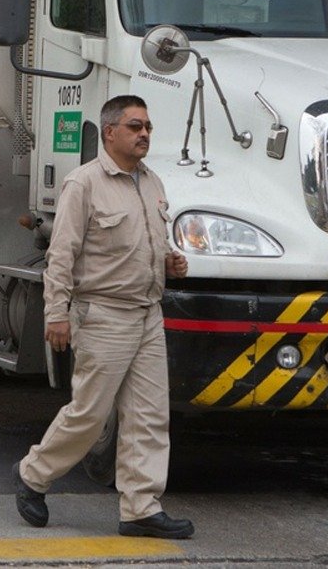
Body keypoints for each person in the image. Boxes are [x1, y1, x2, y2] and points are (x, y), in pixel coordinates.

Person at [12, 95, 193, 540]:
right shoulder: (84, 185)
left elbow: (147, 241)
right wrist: (57, 314)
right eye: (135, 126)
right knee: (90, 415)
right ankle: (32, 476)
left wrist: (169, 262)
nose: (145, 134)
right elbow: (61, 255)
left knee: (149, 416)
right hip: (103, 315)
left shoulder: (151, 182)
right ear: (110, 133)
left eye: (148, 126)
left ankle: (140, 508)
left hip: (148, 314)